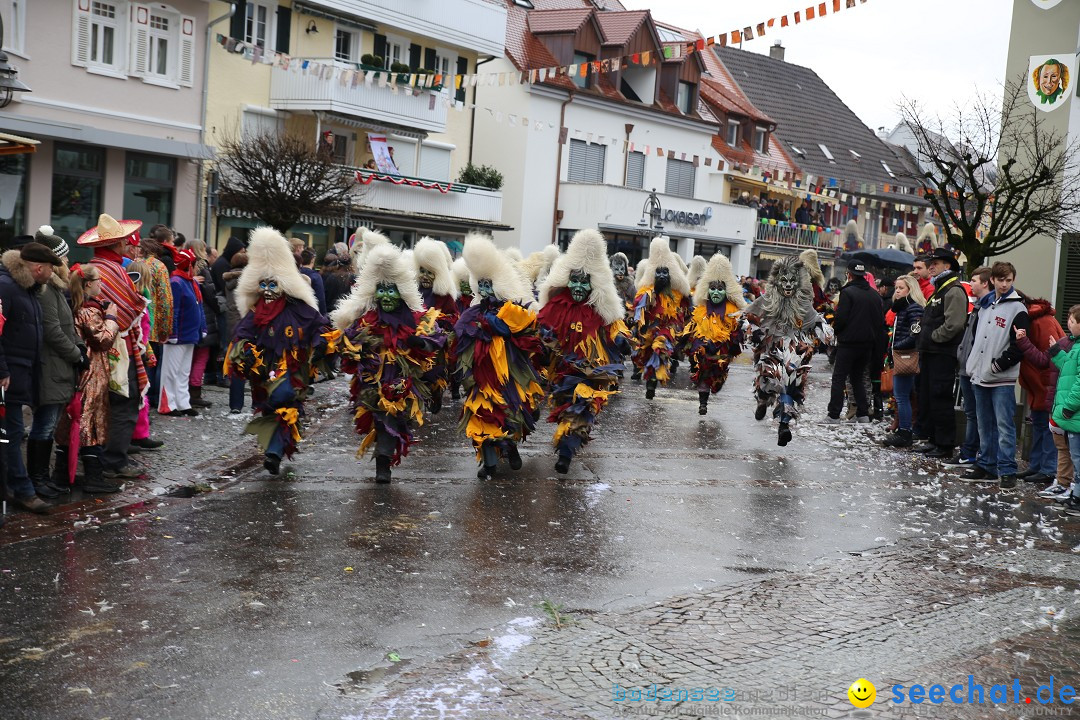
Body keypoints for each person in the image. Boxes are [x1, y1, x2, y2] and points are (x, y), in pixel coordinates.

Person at [332, 243, 445, 483]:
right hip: (373, 380)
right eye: (381, 290)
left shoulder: (415, 318)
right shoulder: (364, 319)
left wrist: (420, 343)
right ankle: (383, 464)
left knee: (394, 419)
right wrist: (356, 351)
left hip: (402, 381)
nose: (386, 295)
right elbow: (345, 342)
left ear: (402, 292)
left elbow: (435, 338)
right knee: (380, 419)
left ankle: (384, 462)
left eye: (391, 290)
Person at [224, 227, 332, 475]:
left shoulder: (298, 307)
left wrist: (321, 343)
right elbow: (242, 333)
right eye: (263, 284)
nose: (268, 290)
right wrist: (245, 350)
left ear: (283, 285)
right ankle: (275, 451)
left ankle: (273, 452)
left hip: (292, 368)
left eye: (273, 284)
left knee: (284, 399)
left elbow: (318, 325)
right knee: (273, 410)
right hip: (264, 370)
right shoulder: (256, 310)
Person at [536, 229, 632, 473]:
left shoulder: (601, 308)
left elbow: (615, 326)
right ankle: (565, 446)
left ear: (594, 283)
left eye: (584, 281)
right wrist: (542, 343)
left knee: (581, 409)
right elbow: (542, 326)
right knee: (563, 409)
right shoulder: (557, 304)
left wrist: (621, 340)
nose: (578, 286)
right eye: (574, 280)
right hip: (561, 370)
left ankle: (566, 455)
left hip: (590, 369)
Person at [455, 233, 544, 480]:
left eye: (488, 284)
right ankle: (490, 463)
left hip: (509, 375)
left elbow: (519, 329)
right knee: (482, 415)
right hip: (483, 377)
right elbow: (460, 335)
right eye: (480, 284)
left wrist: (493, 323)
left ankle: (511, 447)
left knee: (510, 414)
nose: (484, 290)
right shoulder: (472, 311)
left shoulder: (514, 309)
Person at [79, 215, 151, 480]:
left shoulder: (90, 267)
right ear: (117, 244)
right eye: (122, 241)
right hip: (116, 346)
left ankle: (96, 454)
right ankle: (115, 460)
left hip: (93, 344)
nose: (126, 245)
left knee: (99, 402)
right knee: (124, 399)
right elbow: (129, 308)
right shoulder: (115, 270)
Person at [0, 241, 64, 513]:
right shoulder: (7, 286)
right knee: (11, 433)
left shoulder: (26, 287)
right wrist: (2, 369)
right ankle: (22, 490)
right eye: (51, 268)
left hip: (21, 371)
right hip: (9, 375)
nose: (53, 274)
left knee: (12, 433)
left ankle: (14, 488)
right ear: (38, 268)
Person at [743, 255, 833, 446]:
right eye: (784, 280)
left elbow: (816, 320)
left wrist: (824, 331)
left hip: (793, 351)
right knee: (768, 379)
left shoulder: (803, 303)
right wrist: (754, 331)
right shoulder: (767, 299)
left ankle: (784, 425)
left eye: (793, 281)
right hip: (770, 348)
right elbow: (748, 317)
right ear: (777, 280)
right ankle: (763, 399)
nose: (788, 285)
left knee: (790, 386)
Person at [53, 263, 123, 494]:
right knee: (89, 422)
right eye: (99, 281)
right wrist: (112, 317)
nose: (102, 284)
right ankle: (93, 476)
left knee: (70, 421)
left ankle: (62, 474)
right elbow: (103, 340)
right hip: (91, 372)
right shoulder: (88, 311)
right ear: (88, 284)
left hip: (77, 372)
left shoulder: (75, 306)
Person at [28, 226, 86, 499]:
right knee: (44, 425)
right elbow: (53, 332)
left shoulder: (55, 289)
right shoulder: (46, 291)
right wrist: (76, 354)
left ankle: (40, 477)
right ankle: (36, 478)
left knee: (47, 425)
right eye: (64, 259)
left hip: (58, 368)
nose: (67, 263)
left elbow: (66, 326)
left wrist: (79, 346)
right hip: (51, 368)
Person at [961, 262, 1028, 489]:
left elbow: (1020, 346)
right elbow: (976, 338)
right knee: (984, 423)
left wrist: (998, 366)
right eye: (1000, 280)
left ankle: (1007, 469)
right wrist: (973, 363)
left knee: (1004, 425)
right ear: (993, 281)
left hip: (1001, 377)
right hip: (979, 374)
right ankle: (987, 465)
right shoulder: (985, 305)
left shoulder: (1018, 308)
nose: (1004, 284)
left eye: (1008, 280)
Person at [915, 247, 969, 459]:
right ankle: (934, 439)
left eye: (935, 263)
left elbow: (954, 324)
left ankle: (945, 444)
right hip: (931, 351)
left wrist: (933, 337)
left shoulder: (953, 290)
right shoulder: (940, 289)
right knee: (928, 396)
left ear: (947, 265)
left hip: (942, 353)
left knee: (940, 397)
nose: (931, 267)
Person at [1016, 313, 1074, 500]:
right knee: (1051, 435)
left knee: (1066, 445)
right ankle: (1047, 472)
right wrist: (1024, 342)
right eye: (1069, 320)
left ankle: (1052, 472)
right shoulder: (1064, 342)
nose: (1068, 324)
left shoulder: (1049, 326)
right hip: (1055, 396)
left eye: (1073, 321)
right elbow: (1044, 361)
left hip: (1067, 402)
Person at [681, 253, 745, 416]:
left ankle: (714, 385)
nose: (716, 293)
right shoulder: (701, 309)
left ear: (726, 291)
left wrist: (736, 336)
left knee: (717, 375)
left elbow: (736, 331)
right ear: (707, 290)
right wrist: (683, 343)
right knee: (703, 370)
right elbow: (691, 327)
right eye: (713, 289)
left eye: (720, 289)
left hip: (722, 349)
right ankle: (703, 403)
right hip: (702, 346)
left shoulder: (732, 310)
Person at [824, 262, 885, 424]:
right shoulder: (874, 294)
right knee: (857, 377)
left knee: (839, 377)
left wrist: (837, 332)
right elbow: (880, 321)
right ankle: (862, 413)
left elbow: (841, 318)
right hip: (867, 345)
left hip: (849, 343)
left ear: (849, 275)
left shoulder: (848, 292)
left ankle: (833, 415)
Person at [631, 236, 690, 400]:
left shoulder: (678, 293)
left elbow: (687, 310)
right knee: (648, 356)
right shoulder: (646, 289)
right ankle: (651, 381)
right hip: (649, 329)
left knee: (661, 348)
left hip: (667, 329)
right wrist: (655, 291)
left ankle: (653, 381)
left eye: (666, 272)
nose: (663, 275)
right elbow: (639, 306)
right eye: (659, 272)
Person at [413, 237, 460, 413]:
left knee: (435, 370)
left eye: (429, 272)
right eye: (422, 271)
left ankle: (436, 392)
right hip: (415, 340)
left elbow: (453, 316)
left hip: (436, 341)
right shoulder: (411, 291)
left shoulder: (444, 294)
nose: (425, 276)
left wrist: (438, 323)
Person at [952, 267, 992, 470]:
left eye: (974, 280)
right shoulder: (977, 307)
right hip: (967, 365)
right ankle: (969, 451)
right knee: (971, 412)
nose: (971, 284)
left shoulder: (988, 307)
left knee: (976, 413)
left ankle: (971, 453)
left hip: (975, 368)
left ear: (985, 283)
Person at [159, 248, 205, 417]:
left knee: (183, 372)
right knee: (171, 373)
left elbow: (199, 307)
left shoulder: (189, 281)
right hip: (178, 336)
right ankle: (168, 405)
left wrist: (203, 329)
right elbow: (173, 310)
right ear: (189, 265)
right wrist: (172, 333)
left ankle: (182, 402)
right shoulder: (177, 282)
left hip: (190, 334)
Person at [882, 275, 925, 447]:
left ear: (910, 290)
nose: (897, 291)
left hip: (906, 356)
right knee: (901, 395)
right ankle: (904, 430)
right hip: (900, 354)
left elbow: (915, 333)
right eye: (896, 288)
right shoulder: (902, 308)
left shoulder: (913, 308)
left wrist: (897, 347)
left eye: (901, 288)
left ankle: (905, 431)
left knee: (902, 396)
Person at [1045, 304, 1080, 516]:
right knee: (1075, 455)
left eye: (1073, 321)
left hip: (1075, 413)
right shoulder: (1075, 346)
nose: (1069, 324)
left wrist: (1068, 407)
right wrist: (1056, 353)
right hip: (1073, 414)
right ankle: (1075, 492)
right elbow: (1068, 368)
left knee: (1077, 457)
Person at [184, 239, 220, 407]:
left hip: (190, 315)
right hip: (204, 314)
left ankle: (186, 390)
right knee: (202, 356)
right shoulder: (203, 268)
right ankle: (195, 391)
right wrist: (219, 308)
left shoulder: (185, 265)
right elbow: (210, 293)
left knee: (190, 356)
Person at [222, 250, 248, 414]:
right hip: (246, 323)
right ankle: (255, 402)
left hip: (232, 324)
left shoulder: (229, 280)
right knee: (253, 363)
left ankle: (235, 404)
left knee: (237, 364)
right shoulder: (248, 280)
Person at [299, 248, 327, 316]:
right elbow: (320, 299)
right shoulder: (316, 277)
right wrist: (323, 316)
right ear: (312, 260)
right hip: (311, 314)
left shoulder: (295, 273)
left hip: (297, 313)